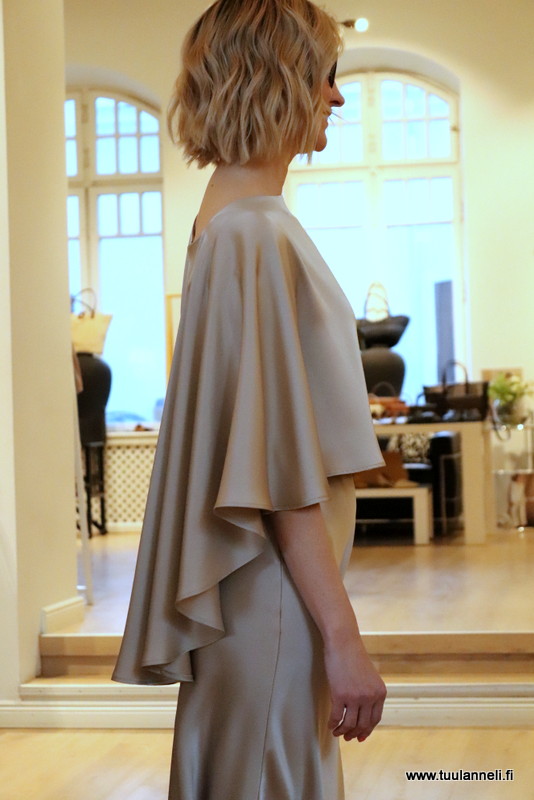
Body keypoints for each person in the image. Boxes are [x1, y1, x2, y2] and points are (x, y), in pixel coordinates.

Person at [112, 1, 387, 797]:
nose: (336, 95)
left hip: (261, 590)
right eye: (325, 74)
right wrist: (343, 637)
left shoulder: (227, 222)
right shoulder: (256, 232)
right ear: (278, 77)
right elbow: (277, 474)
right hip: (276, 598)